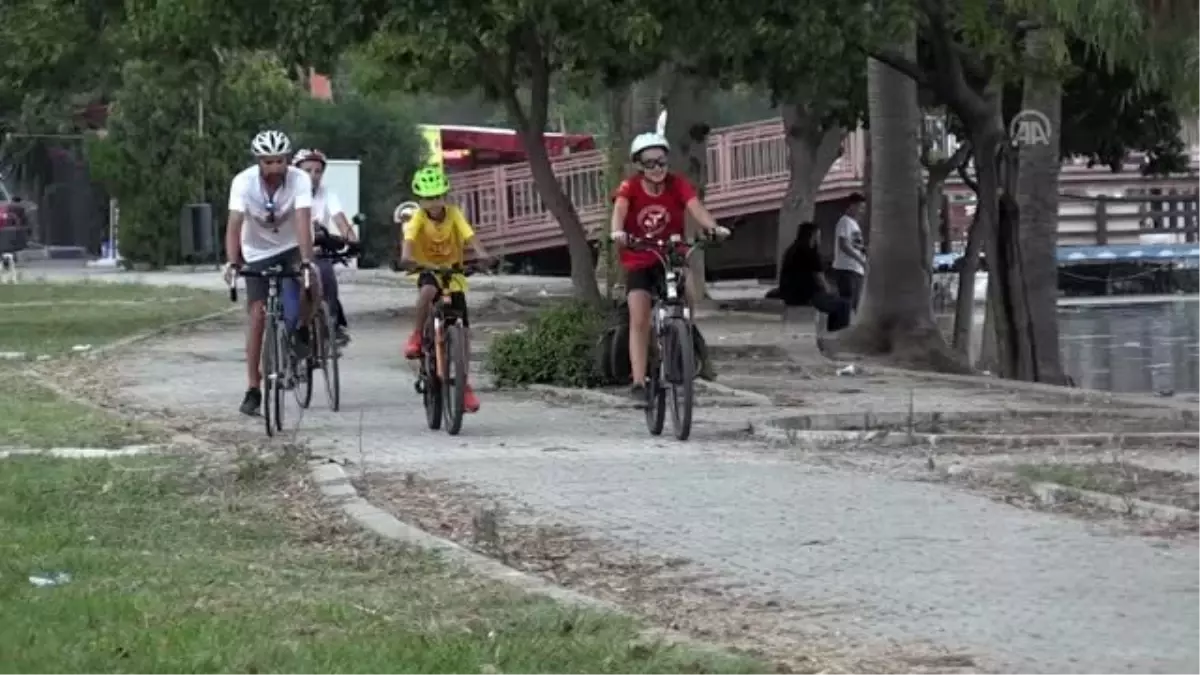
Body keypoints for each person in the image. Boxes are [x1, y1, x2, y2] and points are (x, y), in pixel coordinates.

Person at [609, 132, 730, 402]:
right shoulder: (630, 187)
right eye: (649, 163)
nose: (657, 169)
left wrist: (713, 228)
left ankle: (685, 345)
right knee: (639, 317)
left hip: (671, 254)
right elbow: (619, 210)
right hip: (640, 257)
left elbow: (695, 207)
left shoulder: (678, 185)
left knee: (688, 294)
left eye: (661, 162)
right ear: (639, 165)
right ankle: (639, 381)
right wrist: (618, 233)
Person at [222, 129, 317, 417]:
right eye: (267, 162)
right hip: (257, 251)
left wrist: (305, 260)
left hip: (291, 244)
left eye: (279, 161)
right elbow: (235, 224)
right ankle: (253, 388)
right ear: (258, 162)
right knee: (257, 316)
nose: (274, 168)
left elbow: (302, 220)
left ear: (287, 160)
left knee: (311, 283)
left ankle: (302, 328)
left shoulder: (299, 179)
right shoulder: (243, 182)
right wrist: (233, 262)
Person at [399, 166, 494, 413]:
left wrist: (483, 256)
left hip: (453, 273)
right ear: (420, 200)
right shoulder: (417, 218)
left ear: (446, 196)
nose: (434, 203)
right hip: (426, 269)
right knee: (428, 292)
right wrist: (407, 258)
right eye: (428, 198)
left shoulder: (454, 214)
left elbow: (470, 237)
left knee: (462, 329)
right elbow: (409, 242)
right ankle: (418, 335)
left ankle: (464, 384)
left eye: (438, 196)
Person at [292, 148, 358, 346]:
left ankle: (333, 324)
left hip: (319, 252)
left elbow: (341, 221)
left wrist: (351, 239)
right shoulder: (289, 193)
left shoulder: (327, 193)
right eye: (307, 170)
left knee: (326, 275)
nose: (313, 176)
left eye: (318, 171)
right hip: (292, 252)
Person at [777, 222, 852, 332]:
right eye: (819, 235)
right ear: (813, 235)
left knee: (835, 300)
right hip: (806, 296)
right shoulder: (810, 252)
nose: (820, 238)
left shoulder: (792, 249)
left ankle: (831, 330)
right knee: (844, 305)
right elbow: (819, 277)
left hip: (790, 294)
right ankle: (837, 333)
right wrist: (829, 291)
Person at [831, 192, 867, 314]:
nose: (862, 211)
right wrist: (861, 260)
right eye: (860, 208)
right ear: (852, 206)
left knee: (855, 303)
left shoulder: (854, 224)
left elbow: (856, 245)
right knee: (848, 302)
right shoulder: (845, 221)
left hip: (856, 269)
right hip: (846, 269)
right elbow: (844, 245)